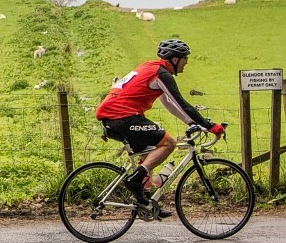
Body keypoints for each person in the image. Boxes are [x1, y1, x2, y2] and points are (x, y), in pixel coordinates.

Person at [95, 38, 224, 217]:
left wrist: (191, 123)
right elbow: (181, 103)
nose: (186, 62)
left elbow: (170, 104)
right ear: (175, 59)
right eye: (185, 58)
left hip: (113, 117)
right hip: (123, 117)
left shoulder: (150, 68)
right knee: (168, 143)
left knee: (149, 154)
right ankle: (134, 182)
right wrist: (209, 126)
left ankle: (145, 203)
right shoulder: (162, 74)